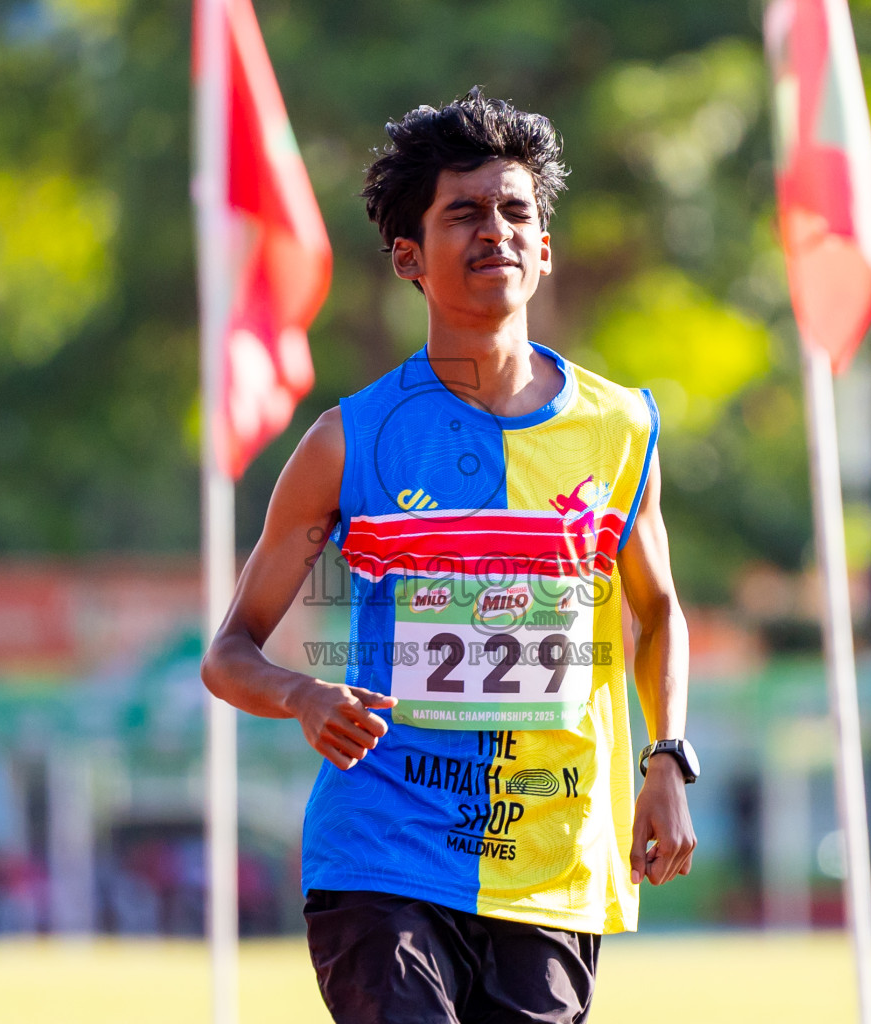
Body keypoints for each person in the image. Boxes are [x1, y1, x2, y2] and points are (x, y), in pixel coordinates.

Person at [202, 88, 698, 1023]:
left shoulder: (620, 427)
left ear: (544, 245)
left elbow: (660, 610)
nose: (495, 232)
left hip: (552, 863)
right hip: (381, 850)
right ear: (409, 257)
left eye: (516, 211)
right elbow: (229, 653)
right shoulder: (348, 445)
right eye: (462, 213)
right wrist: (305, 697)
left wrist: (666, 757)